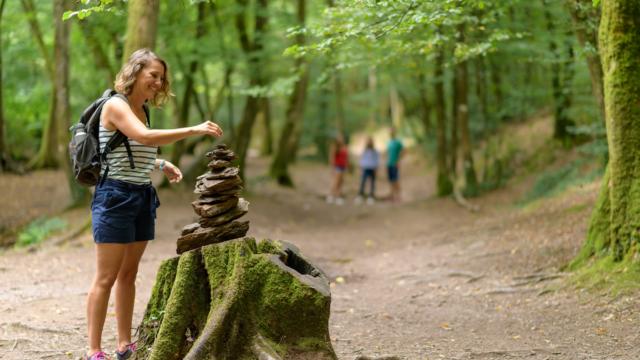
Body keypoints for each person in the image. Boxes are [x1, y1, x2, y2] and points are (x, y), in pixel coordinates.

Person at [85, 49, 222, 360]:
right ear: (135, 73)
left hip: (142, 195)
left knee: (129, 275)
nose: (159, 83)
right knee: (106, 277)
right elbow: (144, 137)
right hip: (114, 197)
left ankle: (124, 344)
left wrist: (161, 164)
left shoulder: (142, 109)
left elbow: (132, 151)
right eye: (153, 76)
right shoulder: (116, 105)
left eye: (162, 78)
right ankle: (93, 350)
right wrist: (194, 129)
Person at [356, 136, 379, 205]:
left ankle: (371, 195)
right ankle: (360, 194)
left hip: (372, 168)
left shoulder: (375, 151)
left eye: (370, 141)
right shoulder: (365, 150)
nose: (369, 142)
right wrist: (361, 167)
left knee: (372, 182)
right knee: (363, 181)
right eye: (368, 141)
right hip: (365, 168)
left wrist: (376, 168)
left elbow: (376, 160)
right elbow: (362, 160)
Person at [327, 135, 348, 205]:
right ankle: (330, 196)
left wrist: (347, 166)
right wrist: (332, 168)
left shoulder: (344, 147)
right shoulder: (335, 147)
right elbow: (332, 158)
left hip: (343, 167)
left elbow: (346, 158)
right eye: (339, 138)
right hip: (337, 167)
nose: (341, 140)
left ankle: (338, 197)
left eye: (342, 138)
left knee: (341, 182)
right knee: (336, 182)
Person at [386, 127, 403, 203]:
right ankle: (392, 195)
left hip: (394, 163)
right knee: (390, 180)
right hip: (389, 163)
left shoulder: (398, 142)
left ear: (394, 132)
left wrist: (398, 160)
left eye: (392, 131)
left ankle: (399, 196)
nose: (391, 133)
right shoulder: (389, 142)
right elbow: (388, 153)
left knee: (395, 180)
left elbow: (403, 151)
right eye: (390, 131)